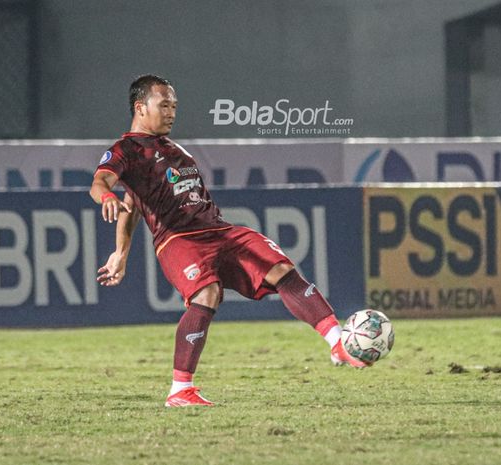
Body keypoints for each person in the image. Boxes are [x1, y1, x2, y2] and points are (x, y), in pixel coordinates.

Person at [89, 74, 367, 408]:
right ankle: (180, 390)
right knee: (208, 293)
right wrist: (106, 200)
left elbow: (133, 203)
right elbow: (102, 183)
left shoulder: (175, 149)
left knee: (281, 268)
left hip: (220, 231)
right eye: (164, 105)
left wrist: (121, 249)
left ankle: (338, 342)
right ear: (140, 107)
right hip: (179, 239)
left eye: (174, 105)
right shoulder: (127, 150)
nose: (171, 112)